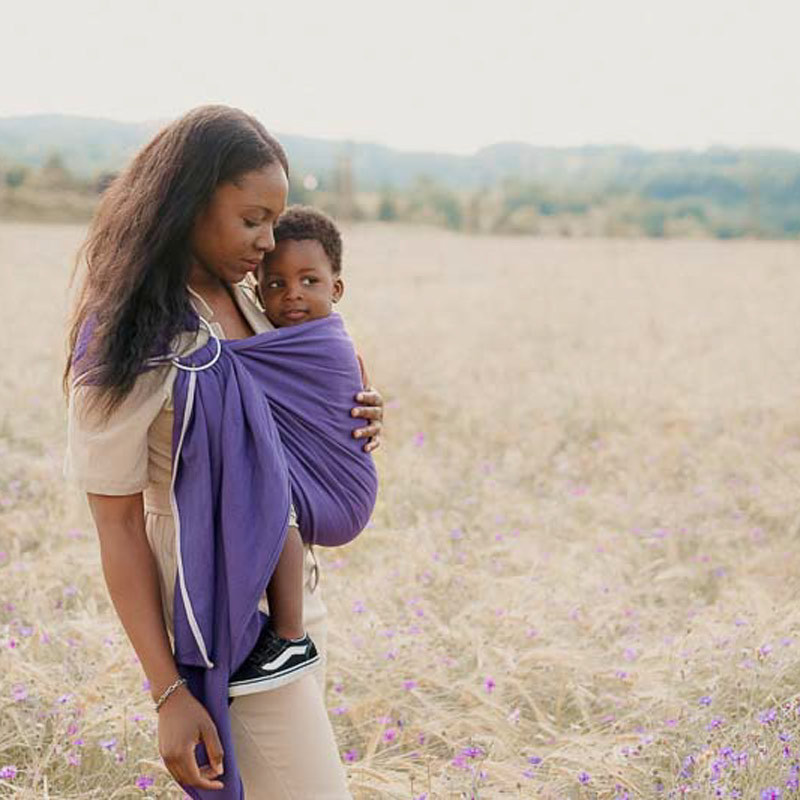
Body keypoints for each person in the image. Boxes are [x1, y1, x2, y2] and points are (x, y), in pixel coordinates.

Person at [64, 105, 383, 799]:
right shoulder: (129, 335)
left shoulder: (254, 298)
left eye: (275, 220)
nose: (270, 243)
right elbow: (116, 524)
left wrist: (356, 410)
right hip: (219, 613)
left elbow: (289, 397)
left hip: (295, 609)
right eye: (251, 220)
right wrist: (168, 692)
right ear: (186, 203)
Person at [229, 205, 349, 698]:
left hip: (337, 491)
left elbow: (222, 361)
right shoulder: (280, 337)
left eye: (308, 281)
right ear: (258, 291)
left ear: (336, 289)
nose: (292, 294)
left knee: (275, 496)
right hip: (323, 497)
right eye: (275, 284)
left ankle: (289, 635)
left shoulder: (323, 342)